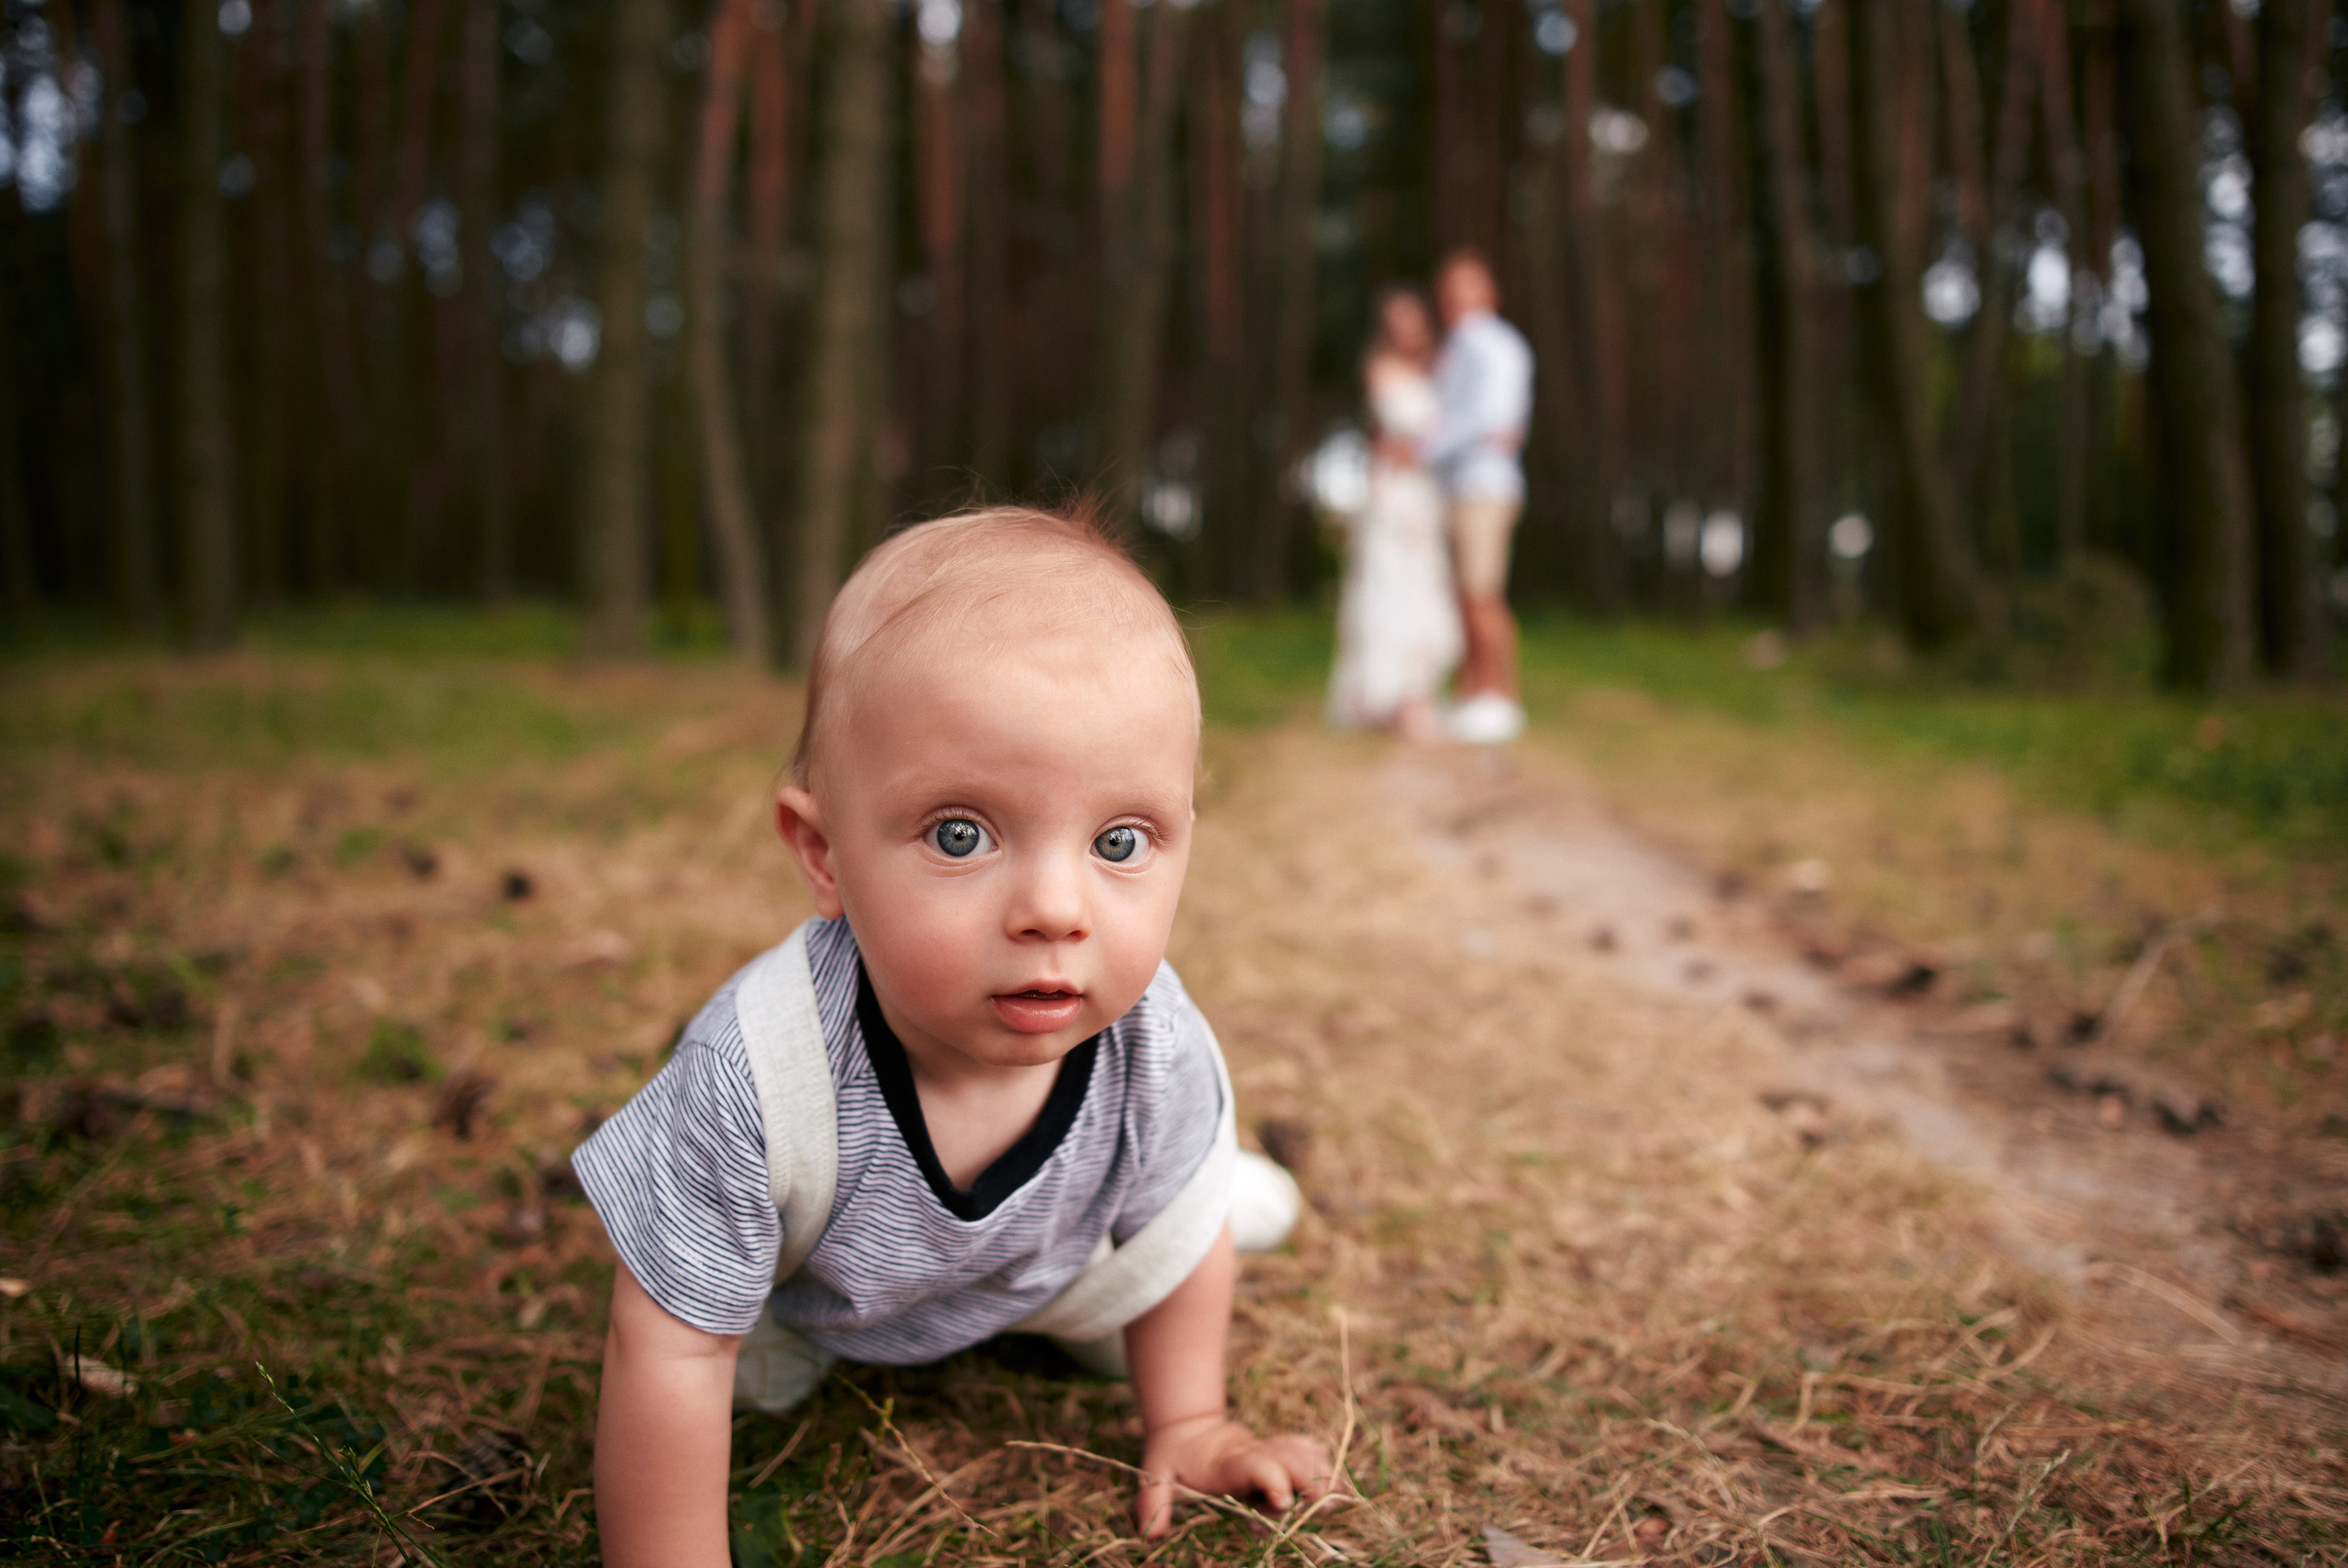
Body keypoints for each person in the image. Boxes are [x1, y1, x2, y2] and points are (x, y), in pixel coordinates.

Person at [574, 505, 1331, 1564]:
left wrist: (1190, 1423)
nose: (1054, 909)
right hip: (818, 1302)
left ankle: (1212, 1178)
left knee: (1177, 1247)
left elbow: (1179, 1244)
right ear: (825, 852)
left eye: (1120, 841)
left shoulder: (1153, 1040)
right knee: (724, 1372)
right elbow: (667, 1349)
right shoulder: (758, 1076)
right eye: (962, 834)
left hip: (1056, 1264)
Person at [1324, 286, 1464, 742]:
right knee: (1393, 590)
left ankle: (1415, 696)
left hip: (1422, 494)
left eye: (1414, 318)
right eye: (1398, 321)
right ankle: (1395, 700)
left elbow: (1421, 444)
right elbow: (1406, 438)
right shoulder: (1382, 369)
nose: (1409, 329)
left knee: (1424, 588)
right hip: (1394, 497)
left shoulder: (1435, 371)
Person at [1423, 249, 1534, 745]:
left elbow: (1488, 421)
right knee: (1466, 597)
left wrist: (1425, 450)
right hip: (1463, 485)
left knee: (1482, 596)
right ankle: (1475, 697)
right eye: (1448, 289)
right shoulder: (1464, 345)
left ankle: (1500, 699)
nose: (1454, 298)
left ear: (1489, 292)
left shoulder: (1488, 343)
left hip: (1482, 488)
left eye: (1465, 287)